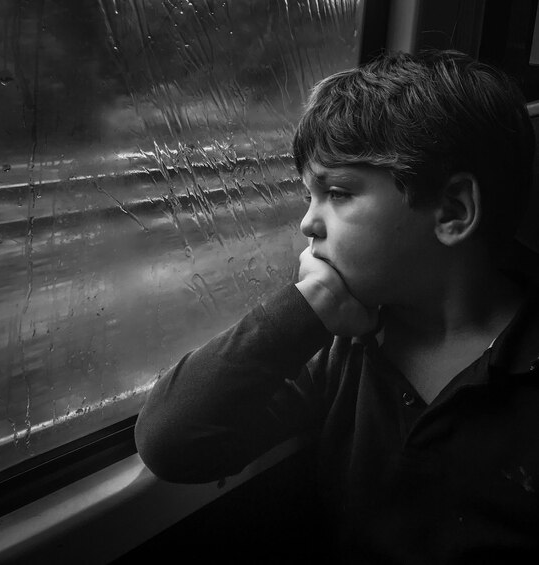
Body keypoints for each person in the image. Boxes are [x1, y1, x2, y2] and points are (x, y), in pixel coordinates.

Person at [134, 50, 539, 563]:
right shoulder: (344, 349)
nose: (308, 223)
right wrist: (308, 307)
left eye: (337, 193)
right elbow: (171, 438)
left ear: (453, 210)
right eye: (309, 196)